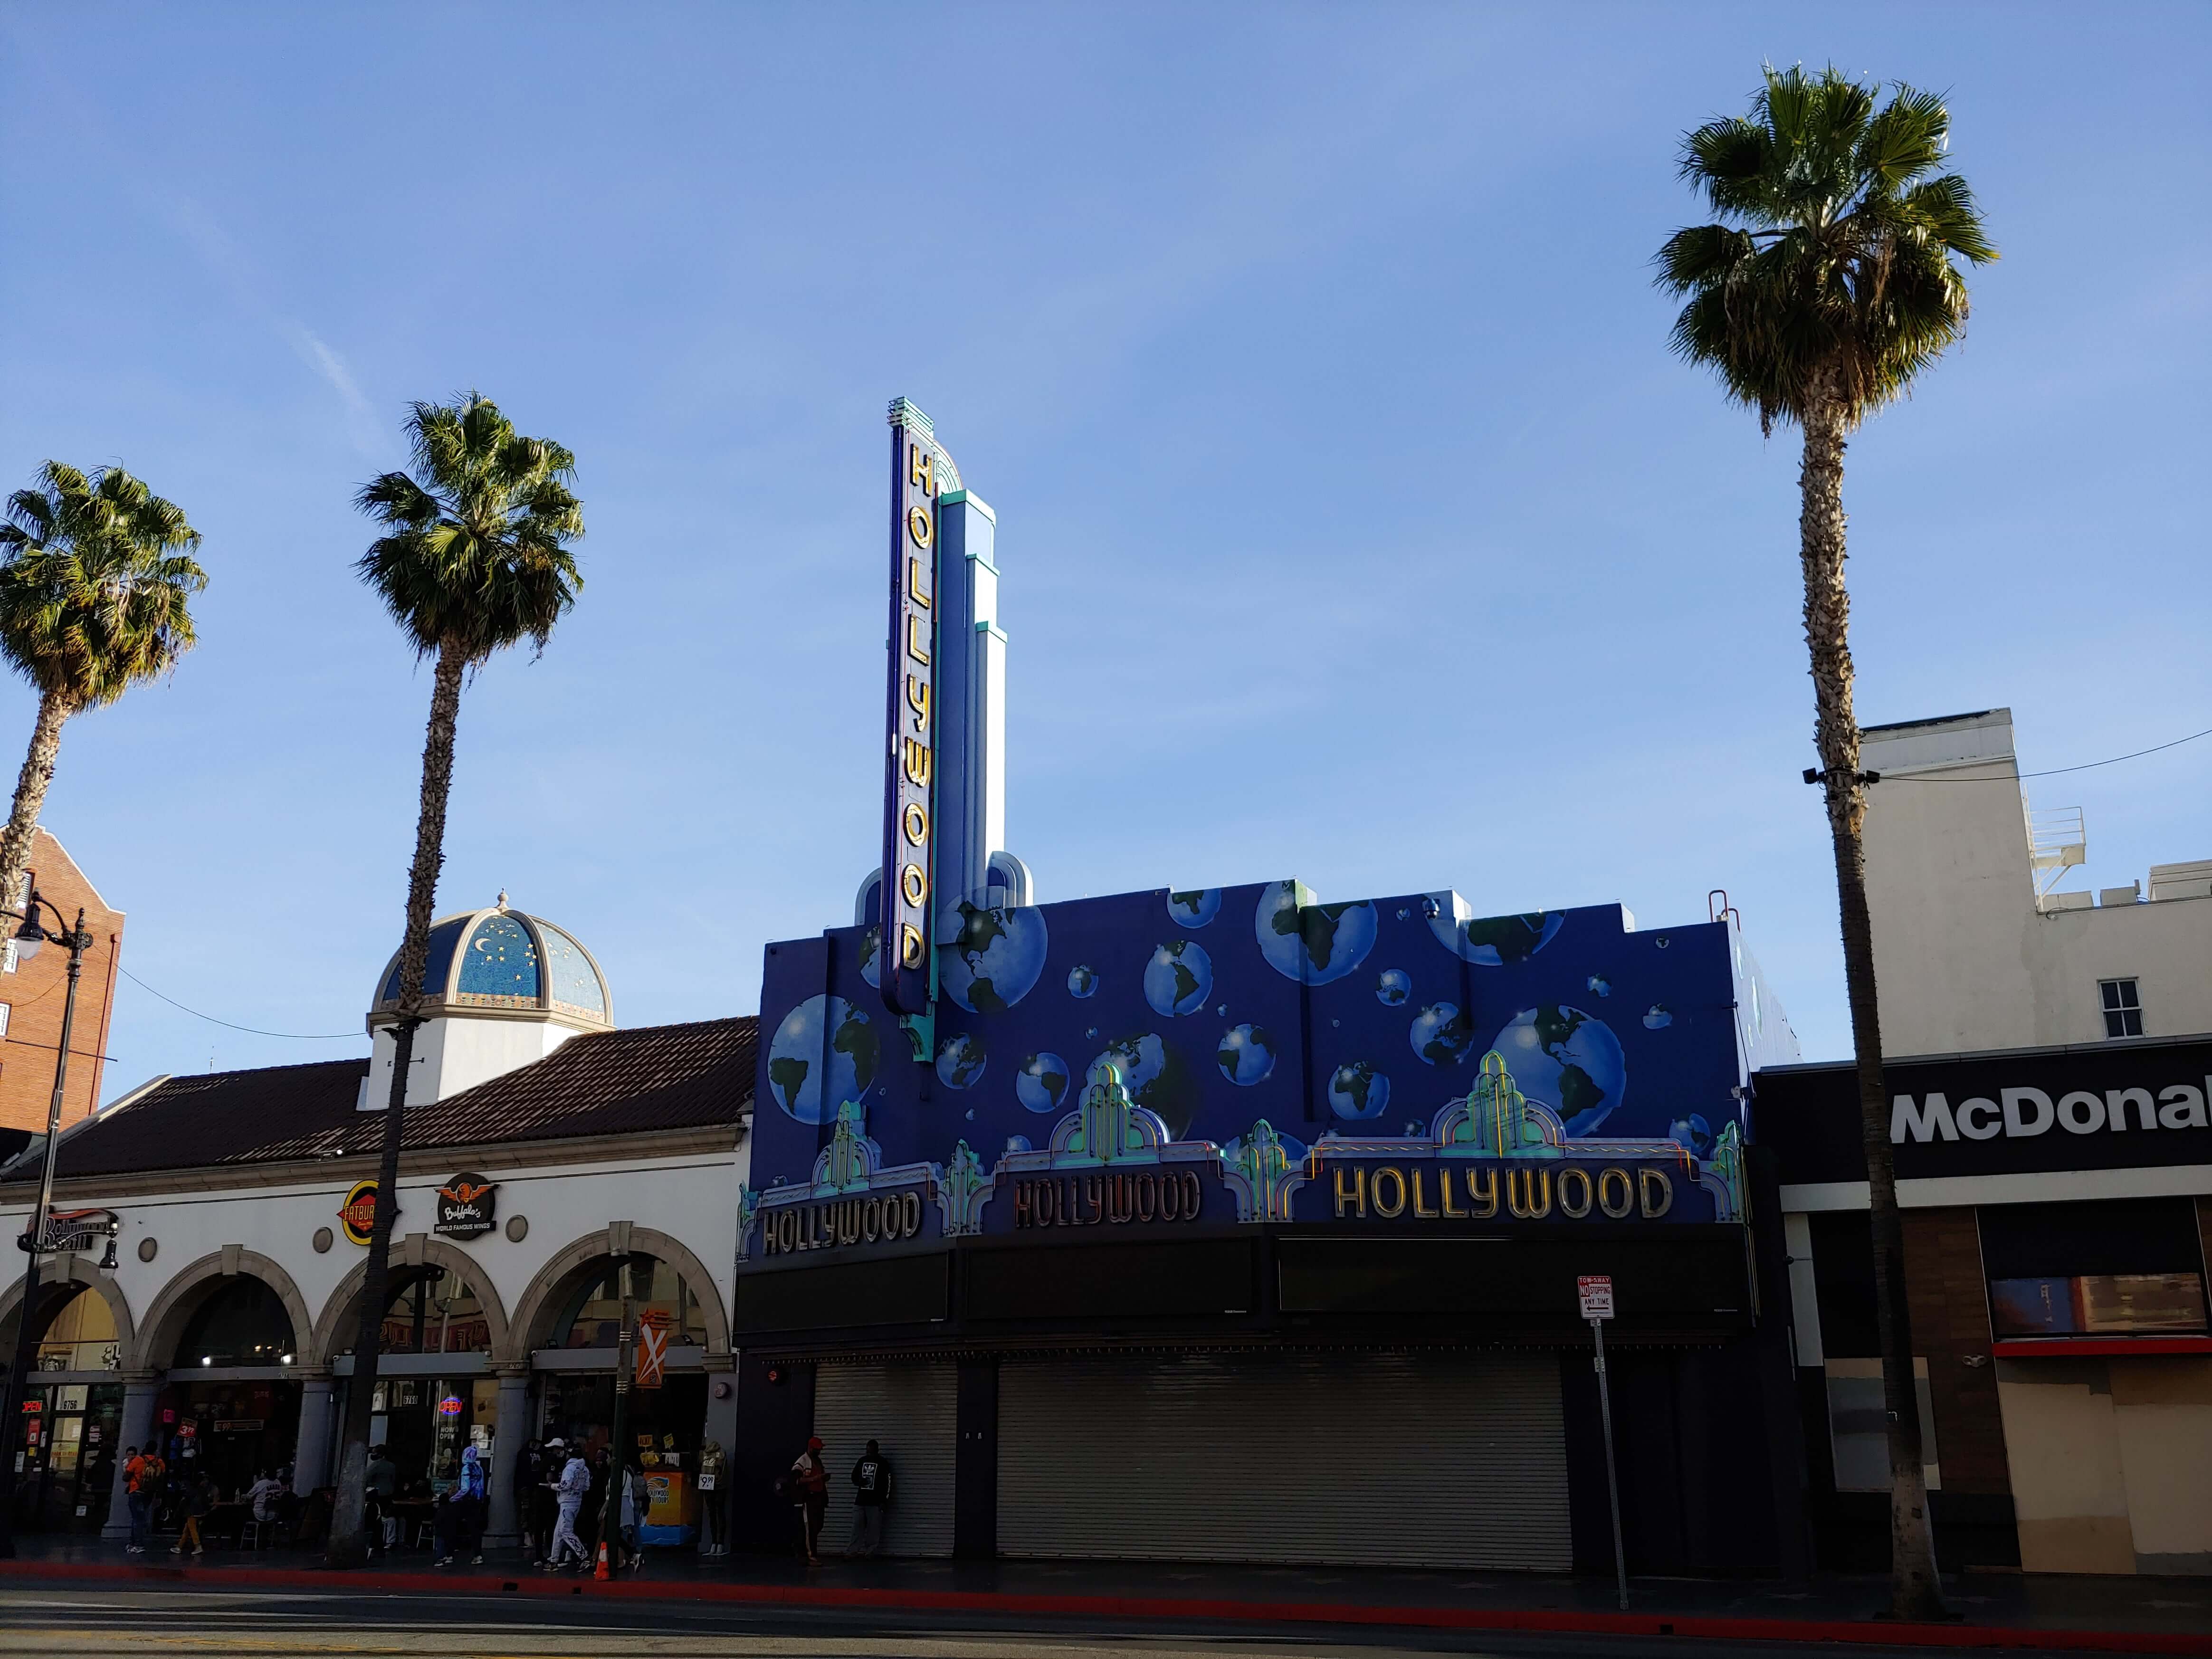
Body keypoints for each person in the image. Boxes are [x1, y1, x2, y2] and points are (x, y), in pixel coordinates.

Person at [544, 1441, 591, 1571]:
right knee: (558, 1532)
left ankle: (584, 1556)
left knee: (565, 1531)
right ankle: (554, 1561)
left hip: (567, 1503)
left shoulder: (570, 1468)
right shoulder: (584, 1469)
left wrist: (552, 1486)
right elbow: (587, 1487)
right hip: (577, 1501)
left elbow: (565, 1485)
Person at [848, 1439, 893, 1559]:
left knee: (874, 1529)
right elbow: (854, 1477)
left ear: (877, 1450)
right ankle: (853, 1551)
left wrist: (884, 1501)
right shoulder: (862, 1461)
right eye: (868, 1451)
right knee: (857, 1527)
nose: (869, 1454)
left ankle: (870, 1551)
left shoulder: (883, 1463)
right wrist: (860, 1482)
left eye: (871, 1452)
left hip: (875, 1502)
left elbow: (888, 1483)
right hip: (861, 1501)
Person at [788, 1436, 828, 1564]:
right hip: (808, 1498)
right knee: (810, 1528)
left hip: (818, 1498)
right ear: (811, 1448)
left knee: (818, 1525)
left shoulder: (818, 1461)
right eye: (817, 1449)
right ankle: (811, 1556)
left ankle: (802, 1548)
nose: (819, 1451)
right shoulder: (803, 1461)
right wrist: (815, 1479)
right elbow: (796, 1480)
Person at [364, 1445, 399, 1556]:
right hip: (388, 1495)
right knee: (388, 1518)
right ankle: (388, 1541)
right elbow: (393, 1481)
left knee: (378, 1520)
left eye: (374, 1453)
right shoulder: (392, 1466)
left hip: (377, 1495)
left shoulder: (375, 1466)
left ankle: (377, 1542)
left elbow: (366, 1478)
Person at [122, 1446, 157, 1554]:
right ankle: (133, 1543)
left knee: (137, 1519)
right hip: (149, 1493)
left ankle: (137, 1544)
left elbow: (126, 1477)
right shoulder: (158, 1462)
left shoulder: (138, 1460)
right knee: (139, 1518)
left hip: (136, 1491)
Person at [696, 1440, 727, 1557]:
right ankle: (720, 1544)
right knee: (720, 1514)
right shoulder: (721, 1453)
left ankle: (714, 1543)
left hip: (708, 1487)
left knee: (712, 1515)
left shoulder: (705, 1454)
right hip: (719, 1487)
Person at [171, 1470, 212, 1556]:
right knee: (187, 1530)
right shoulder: (203, 1490)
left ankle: (198, 1546)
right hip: (198, 1512)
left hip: (192, 1512)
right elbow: (206, 1502)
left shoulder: (193, 1489)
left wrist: (180, 1511)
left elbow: (186, 1500)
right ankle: (179, 1547)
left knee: (192, 1529)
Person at [245, 1467, 286, 1542]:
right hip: (273, 1515)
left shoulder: (261, 1483)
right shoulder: (278, 1482)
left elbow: (248, 1496)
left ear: (265, 1473)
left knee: (240, 1516)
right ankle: (262, 1538)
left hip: (260, 1514)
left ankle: (249, 1541)